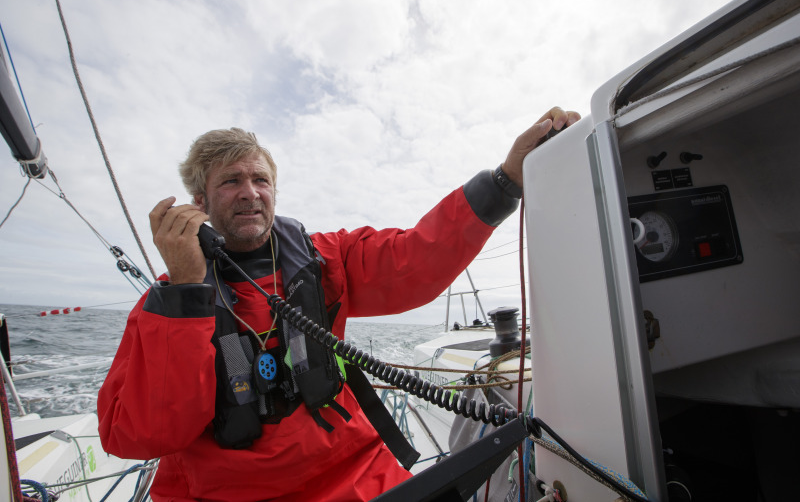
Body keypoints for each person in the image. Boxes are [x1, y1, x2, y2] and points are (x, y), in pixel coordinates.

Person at [97, 107, 580, 502]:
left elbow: (417, 257)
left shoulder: (326, 258)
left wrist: (505, 181)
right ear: (198, 202)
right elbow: (135, 435)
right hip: (222, 494)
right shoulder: (166, 306)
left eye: (260, 179)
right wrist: (187, 293)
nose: (250, 193)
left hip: (354, 476)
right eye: (230, 181)